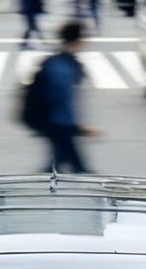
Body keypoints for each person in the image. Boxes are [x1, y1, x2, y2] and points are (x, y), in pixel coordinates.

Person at [36, 21, 99, 174]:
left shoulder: (60, 61)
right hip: (60, 124)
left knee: (56, 165)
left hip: (57, 124)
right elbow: (61, 98)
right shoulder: (62, 66)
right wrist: (76, 127)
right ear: (78, 40)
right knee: (80, 170)